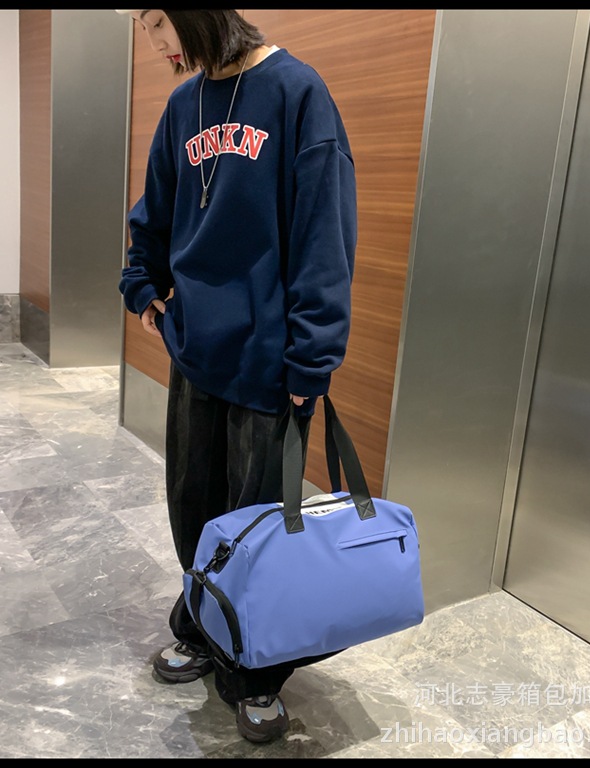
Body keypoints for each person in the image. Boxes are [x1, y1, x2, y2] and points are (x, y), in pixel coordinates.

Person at [116, 10, 357, 744]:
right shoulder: (183, 104)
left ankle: (255, 669)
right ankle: (200, 625)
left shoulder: (296, 93)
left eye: (156, 21)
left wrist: (312, 356)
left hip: (270, 364)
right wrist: (142, 284)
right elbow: (156, 210)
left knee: (257, 525)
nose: (154, 42)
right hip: (197, 350)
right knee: (194, 506)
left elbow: (324, 232)